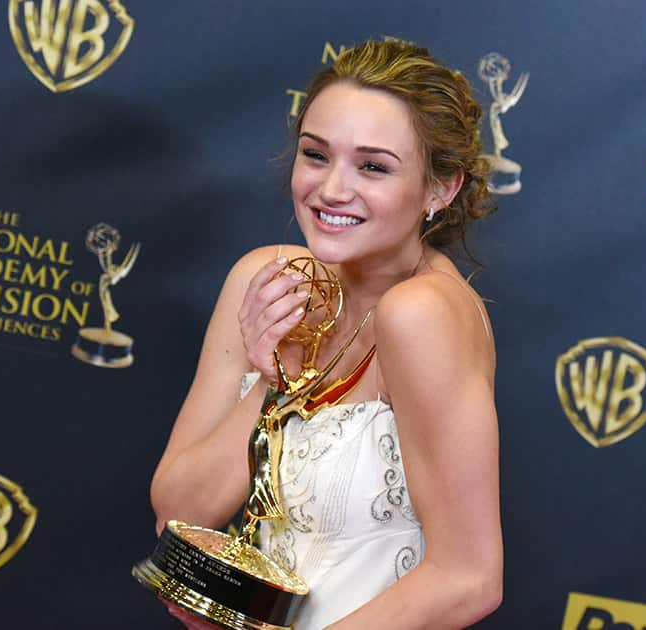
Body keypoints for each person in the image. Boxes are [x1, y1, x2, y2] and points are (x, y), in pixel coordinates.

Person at [149, 38, 502, 629]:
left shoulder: (423, 312)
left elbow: (469, 577)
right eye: (316, 155)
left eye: (373, 166)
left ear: (441, 189)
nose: (332, 189)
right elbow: (178, 511)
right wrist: (273, 381)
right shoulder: (266, 281)